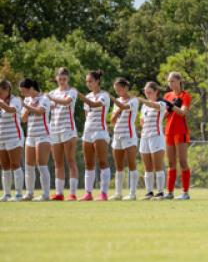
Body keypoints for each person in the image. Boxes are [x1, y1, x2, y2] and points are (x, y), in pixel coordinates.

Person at [46, 67, 79, 201]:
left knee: (70, 160)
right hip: (54, 129)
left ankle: (72, 193)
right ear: (56, 78)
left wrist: (51, 98)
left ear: (68, 79)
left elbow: (66, 102)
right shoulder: (53, 92)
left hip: (68, 130)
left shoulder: (72, 91)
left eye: (64, 79)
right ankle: (59, 193)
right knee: (58, 163)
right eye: (60, 79)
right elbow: (48, 107)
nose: (62, 81)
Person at [78, 70, 111, 201]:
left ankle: (103, 193)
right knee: (88, 163)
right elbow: (87, 115)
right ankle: (88, 193)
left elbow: (95, 105)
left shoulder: (104, 95)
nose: (88, 84)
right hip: (88, 131)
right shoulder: (88, 96)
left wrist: (80, 96)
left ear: (98, 81)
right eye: (87, 81)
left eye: (90, 81)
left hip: (100, 131)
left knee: (102, 162)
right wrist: (84, 97)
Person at [20, 78, 51, 201]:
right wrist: (26, 108)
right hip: (30, 136)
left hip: (43, 135)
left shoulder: (44, 99)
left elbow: (40, 111)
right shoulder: (27, 100)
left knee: (42, 165)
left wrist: (26, 106)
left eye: (24, 91)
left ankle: (45, 194)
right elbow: (23, 119)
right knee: (29, 166)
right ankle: (29, 193)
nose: (23, 94)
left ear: (31, 88)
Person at [110, 78, 139, 201]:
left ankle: (132, 193)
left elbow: (124, 107)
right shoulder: (117, 100)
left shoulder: (134, 100)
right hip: (117, 135)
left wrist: (110, 98)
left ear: (126, 88)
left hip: (129, 135)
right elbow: (112, 120)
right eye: (116, 90)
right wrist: (116, 112)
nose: (118, 92)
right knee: (119, 165)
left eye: (119, 89)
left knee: (131, 163)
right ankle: (118, 193)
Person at [164, 72, 191, 200]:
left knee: (182, 161)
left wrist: (172, 106)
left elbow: (183, 113)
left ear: (179, 81)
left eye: (173, 81)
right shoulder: (167, 95)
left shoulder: (185, 95)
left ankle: (185, 193)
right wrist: (166, 108)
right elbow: (164, 114)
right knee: (171, 162)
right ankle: (169, 192)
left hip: (181, 131)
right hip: (169, 131)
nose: (171, 84)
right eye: (169, 82)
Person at [138, 82, 166, 200]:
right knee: (147, 167)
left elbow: (154, 106)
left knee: (158, 166)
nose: (147, 94)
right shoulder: (144, 106)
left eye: (149, 92)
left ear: (156, 92)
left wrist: (142, 100)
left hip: (156, 137)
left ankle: (160, 192)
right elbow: (142, 121)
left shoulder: (161, 103)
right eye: (146, 92)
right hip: (145, 137)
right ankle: (149, 192)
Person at [0, 79, 24, 201]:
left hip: (14, 136)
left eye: (1, 92)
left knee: (15, 164)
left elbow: (11, 110)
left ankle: (19, 194)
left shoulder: (16, 100)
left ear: (7, 90)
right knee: (4, 166)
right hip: (1, 138)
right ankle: (7, 194)